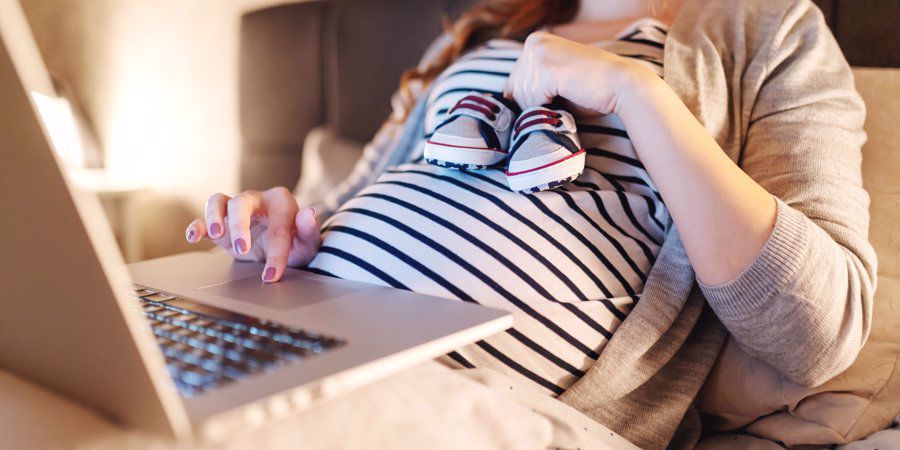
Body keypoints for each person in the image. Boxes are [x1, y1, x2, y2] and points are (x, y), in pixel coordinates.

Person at [183, 0, 877, 447]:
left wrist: (636, 91)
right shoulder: (476, 32)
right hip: (283, 331)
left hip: (463, 391)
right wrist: (289, 228)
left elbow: (817, 331)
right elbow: (352, 197)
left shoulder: (770, 28)